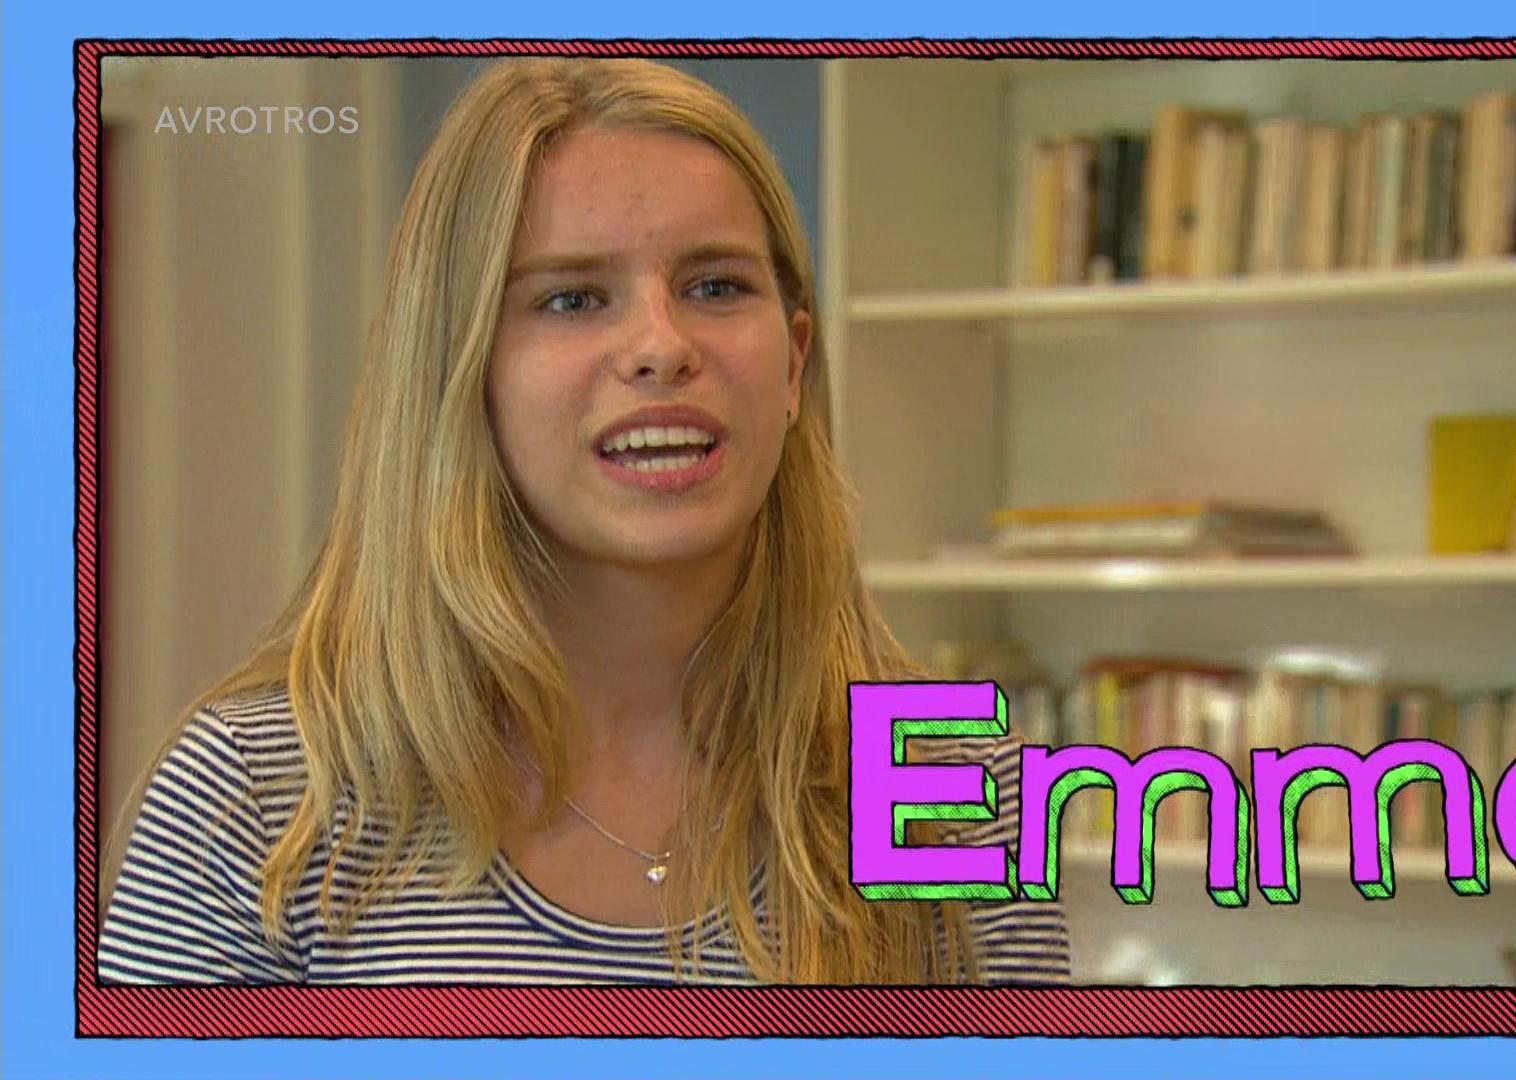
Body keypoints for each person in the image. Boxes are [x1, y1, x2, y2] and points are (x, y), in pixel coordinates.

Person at [97, 58, 1071, 986]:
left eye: (716, 286)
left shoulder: (949, 789)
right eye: (571, 298)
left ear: (794, 360)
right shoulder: (259, 797)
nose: (661, 345)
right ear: (458, 371)